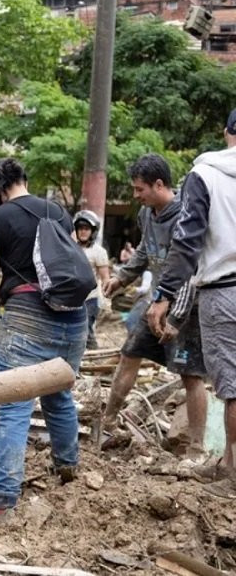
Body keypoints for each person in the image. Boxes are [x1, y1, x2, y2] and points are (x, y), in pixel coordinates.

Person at [0, 158, 87, 524]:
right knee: (59, 395)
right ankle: (67, 468)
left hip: (25, 315)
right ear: (24, 179)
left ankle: (5, 501)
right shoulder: (58, 211)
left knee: (13, 406)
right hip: (74, 318)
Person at [148, 109, 236, 498]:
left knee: (232, 388)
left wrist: (163, 296)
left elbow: (187, 244)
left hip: (225, 290)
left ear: (226, 132)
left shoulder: (205, 174)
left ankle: (232, 471)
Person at [101, 154, 207, 456]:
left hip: (186, 307)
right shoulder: (147, 215)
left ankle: (196, 448)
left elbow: (192, 271)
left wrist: (177, 317)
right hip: (155, 304)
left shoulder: (187, 217)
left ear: (158, 184)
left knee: (191, 374)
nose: (136, 196)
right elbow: (146, 250)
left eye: (139, 189)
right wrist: (122, 278)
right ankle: (108, 419)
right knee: (129, 353)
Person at [73, 209, 110, 350]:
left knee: (85, 328)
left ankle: (93, 354)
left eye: (86, 229)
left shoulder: (98, 252)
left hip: (90, 298)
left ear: (93, 231)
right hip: (71, 297)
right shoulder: (69, 248)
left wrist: (107, 301)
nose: (83, 232)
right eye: (80, 228)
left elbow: (105, 278)